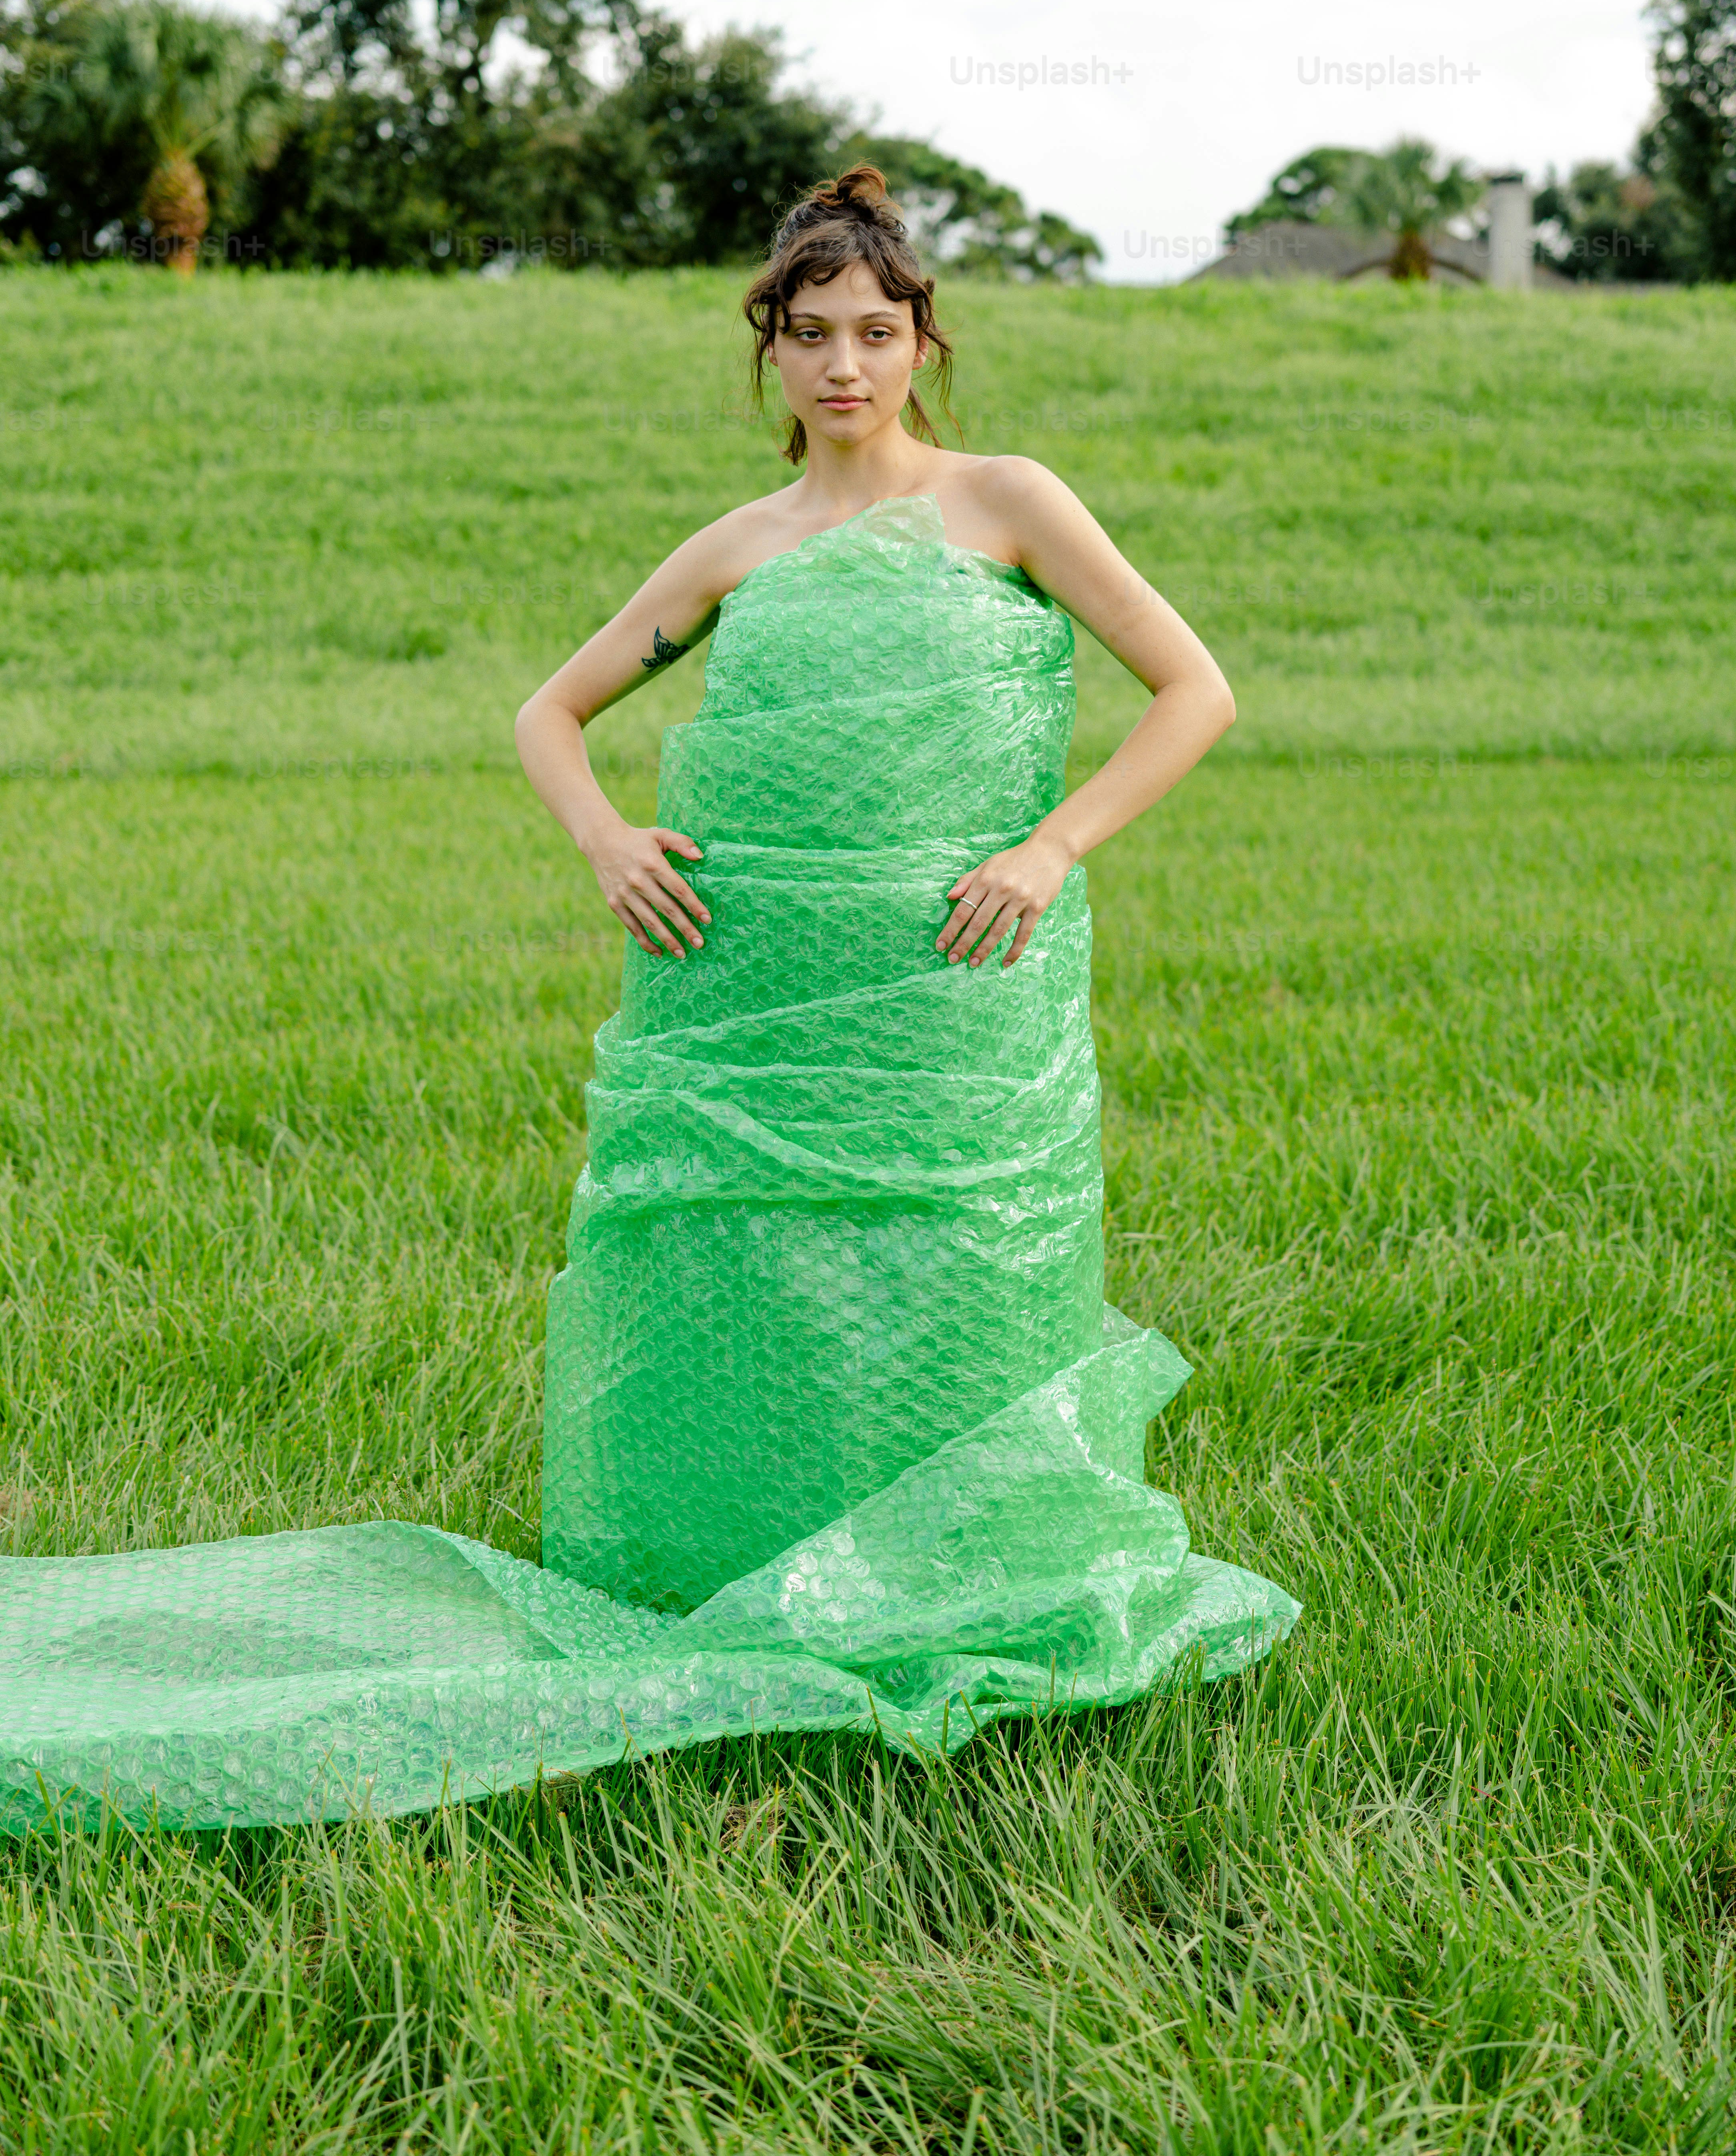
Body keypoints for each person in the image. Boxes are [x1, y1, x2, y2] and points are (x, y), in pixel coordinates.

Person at [0, 167, 1297, 1836]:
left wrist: (1050, 845)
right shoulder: (737, 549)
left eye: (875, 334)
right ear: (768, 352)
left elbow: (1192, 688)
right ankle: (732, 1571)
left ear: (920, 345)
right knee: (747, 1261)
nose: (844, 366)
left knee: (954, 1262)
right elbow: (550, 710)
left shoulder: (1007, 503)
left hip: (954, 967)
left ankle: (961, 1582)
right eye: (810, 335)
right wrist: (608, 835)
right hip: (737, 976)